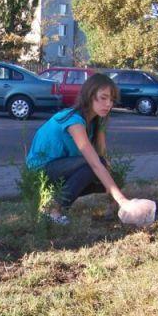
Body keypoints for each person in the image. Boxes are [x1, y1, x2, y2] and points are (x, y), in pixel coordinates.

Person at [26, 73, 131, 225]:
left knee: (111, 175)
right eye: (103, 97)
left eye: (112, 99)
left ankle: (55, 200)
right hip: (41, 170)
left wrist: (115, 195)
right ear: (89, 95)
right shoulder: (73, 120)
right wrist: (122, 199)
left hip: (62, 168)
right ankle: (51, 209)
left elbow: (103, 157)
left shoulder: (97, 121)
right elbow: (95, 162)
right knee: (94, 166)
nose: (108, 104)